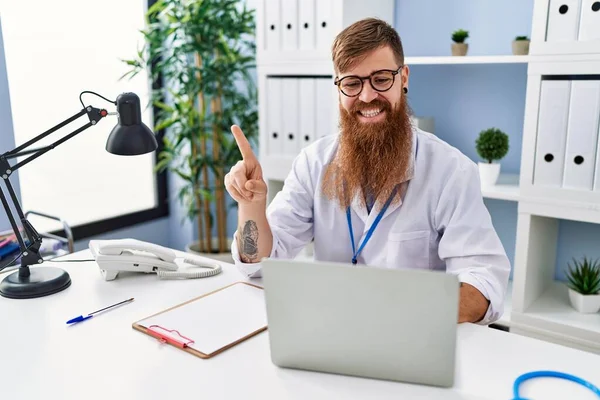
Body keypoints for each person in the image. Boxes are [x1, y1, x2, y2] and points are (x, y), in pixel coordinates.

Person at [224, 18, 510, 325]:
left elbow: (484, 284)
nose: (367, 96)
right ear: (338, 89)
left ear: (404, 78)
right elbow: (261, 263)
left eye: (381, 79)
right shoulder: (313, 163)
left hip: (414, 335)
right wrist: (251, 206)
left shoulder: (451, 171)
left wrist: (394, 313)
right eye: (352, 83)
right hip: (330, 330)